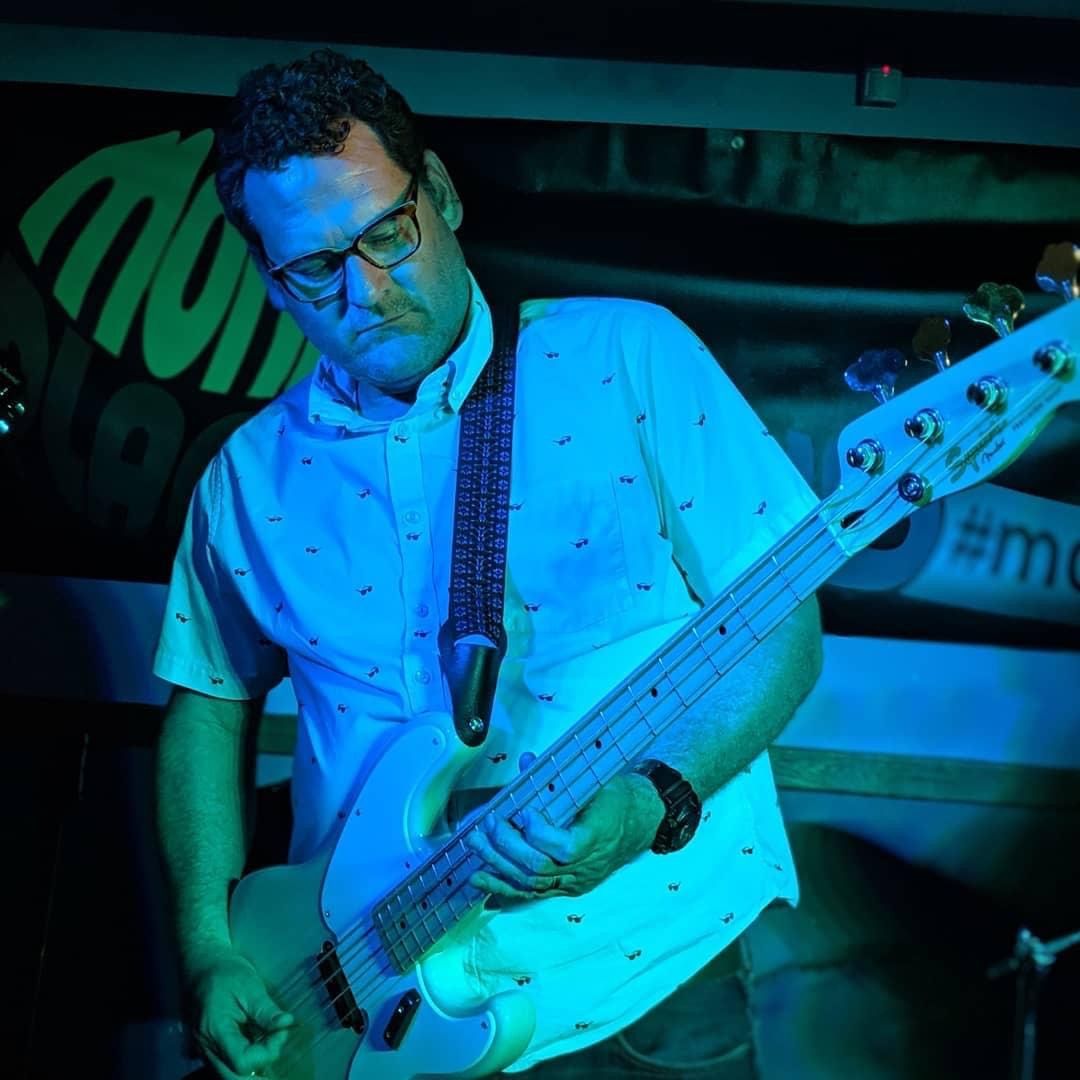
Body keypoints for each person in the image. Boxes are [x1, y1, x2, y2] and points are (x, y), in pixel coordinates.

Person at [152, 47, 823, 1080]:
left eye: (386, 233)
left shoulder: (625, 358)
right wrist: (208, 945)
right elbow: (206, 701)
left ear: (442, 193)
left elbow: (781, 625)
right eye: (315, 268)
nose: (366, 290)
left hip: (639, 978)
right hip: (355, 999)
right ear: (270, 282)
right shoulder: (247, 479)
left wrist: (652, 800)